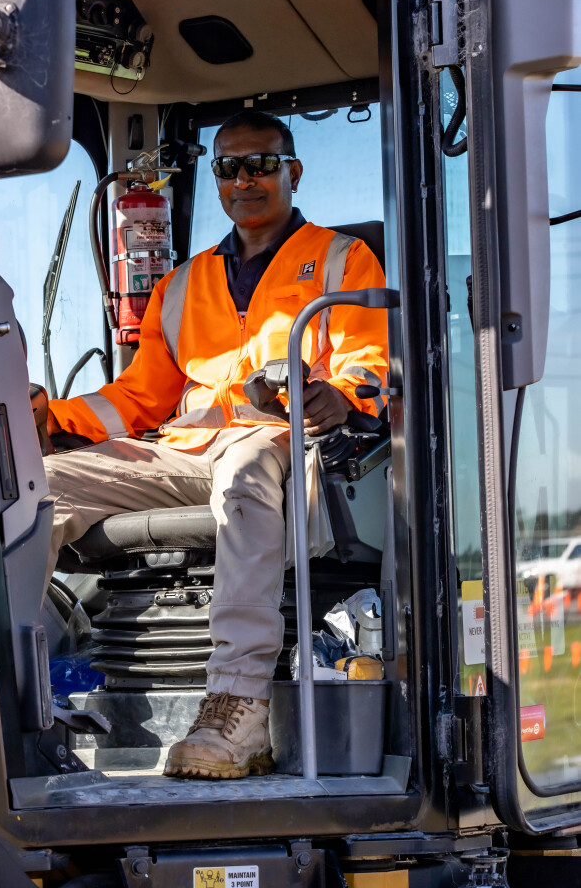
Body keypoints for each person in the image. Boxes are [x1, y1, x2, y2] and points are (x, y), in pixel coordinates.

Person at [43, 109, 388, 780]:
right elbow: (137, 398)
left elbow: (365, 358)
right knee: (38, 485)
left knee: (246, 468)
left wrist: (341, 395)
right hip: (186, 447)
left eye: (261, 164)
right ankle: (1, 691)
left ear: (292, 172)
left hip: (281, 440)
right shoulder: (181, 283)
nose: (244, 179)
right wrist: (50, 418)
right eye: (229, 167)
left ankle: (238, 705)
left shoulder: (342, 260)